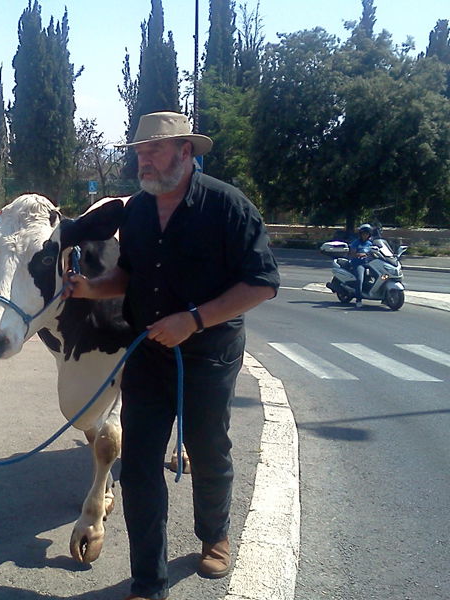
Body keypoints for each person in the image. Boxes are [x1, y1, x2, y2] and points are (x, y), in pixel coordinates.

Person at [66, 111, 279, 600]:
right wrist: (90, 289)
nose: (144, 159)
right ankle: (149, 582)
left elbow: (262, 283)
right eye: (140, 151)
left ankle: (214, 534)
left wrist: (194, 320)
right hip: (148, 355)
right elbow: (129, 277)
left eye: (155, 150)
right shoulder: (137, 211)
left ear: (186, 152)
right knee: (138, 467)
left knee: (208, 452)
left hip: (208, 354)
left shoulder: (228, 206)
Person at [349, 223, 375, 308]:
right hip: (358, 263)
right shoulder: (356, 243)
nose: (365, 235)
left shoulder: (370, 243)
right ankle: (358, 299)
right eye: (364, 233)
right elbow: (352, 253)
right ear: (360, 234)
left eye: (367, 234)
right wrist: (359, 254)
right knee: (360, 279)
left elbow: (374, 252)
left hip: (369, 263)